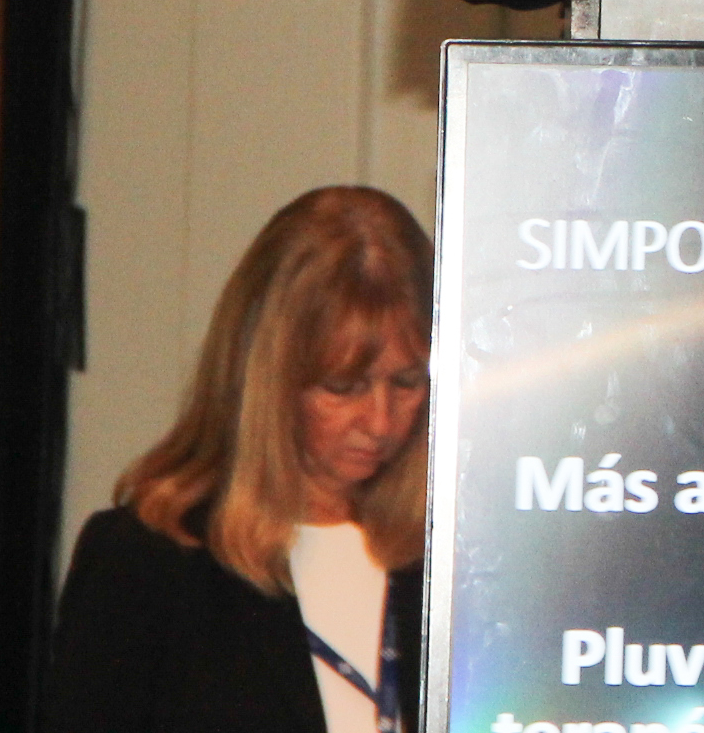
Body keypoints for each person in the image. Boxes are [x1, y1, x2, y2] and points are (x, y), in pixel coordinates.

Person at [45, 186, 431, 733]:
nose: (380, 421)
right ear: (266, 377)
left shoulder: (453, 560)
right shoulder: (145, 564)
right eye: (343, 387)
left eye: (408, 382)